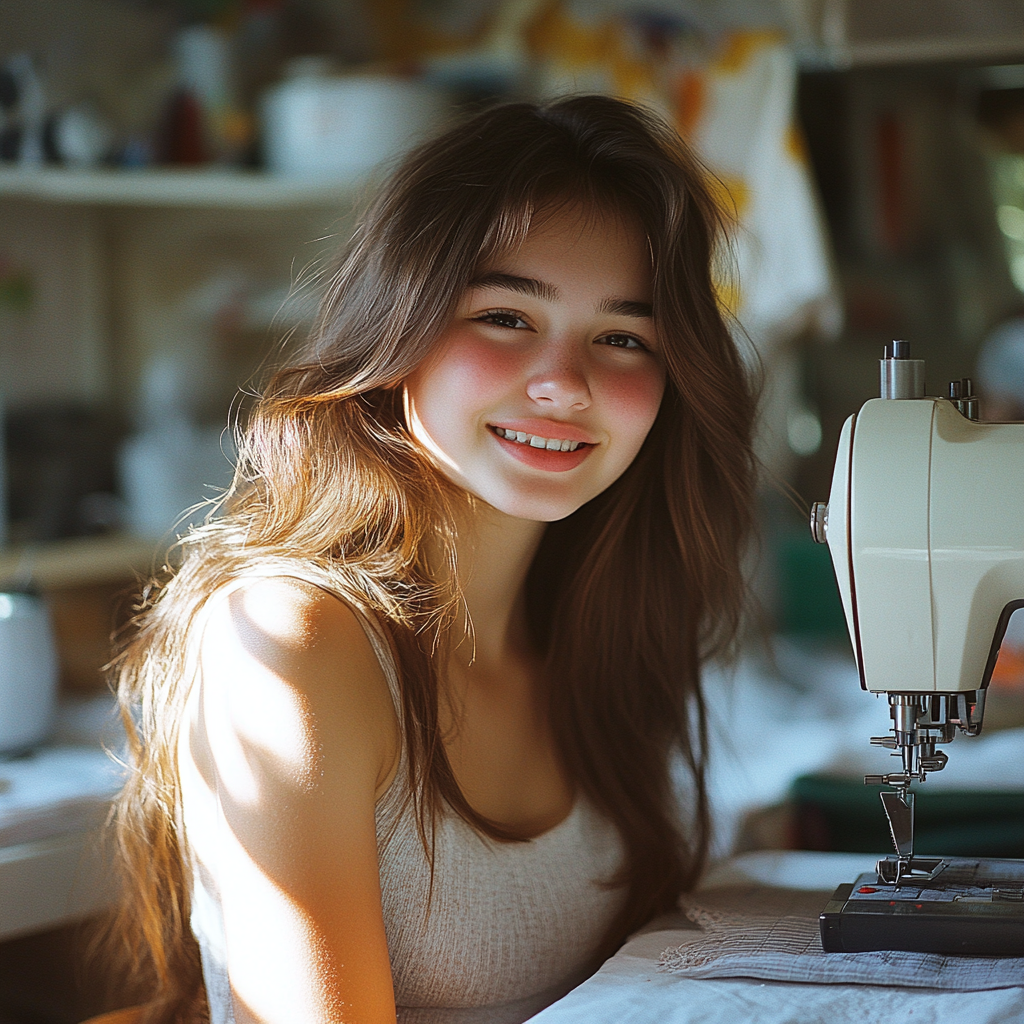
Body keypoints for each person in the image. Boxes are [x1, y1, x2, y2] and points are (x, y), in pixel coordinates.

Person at [108, 95, 758, 1024]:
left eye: (622, 338)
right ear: (398, 327)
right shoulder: (295, 644)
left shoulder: (597, 630)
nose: (563, 385)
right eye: (505, 316)